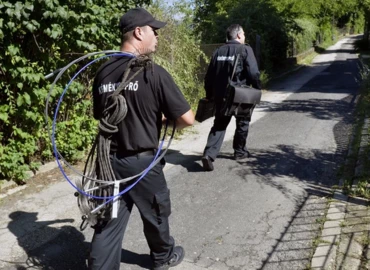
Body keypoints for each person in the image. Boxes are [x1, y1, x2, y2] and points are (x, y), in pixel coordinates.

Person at [90, 7, 194, 270]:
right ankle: (162, 257)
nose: (157, 37)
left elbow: (102, 116)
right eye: (154, 31)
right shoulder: (152, 72)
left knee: (108, 222)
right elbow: (186, 119)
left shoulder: (103, 73)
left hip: (110, 162)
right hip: (142, 164)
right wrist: (157, 118)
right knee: (157, 213)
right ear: (139, 32)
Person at [201, 24, 261, 171]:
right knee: (243, 122)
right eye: (244, 34)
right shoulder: (245, 49)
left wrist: (209, 95)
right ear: (239, 35)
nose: (245, 36)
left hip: (221, 95)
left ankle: (208, 154)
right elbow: (253, 73)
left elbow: (209, 77)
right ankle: (240, 152)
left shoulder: (218, 51)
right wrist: (257, 87)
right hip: (241, 94)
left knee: (219, 125)